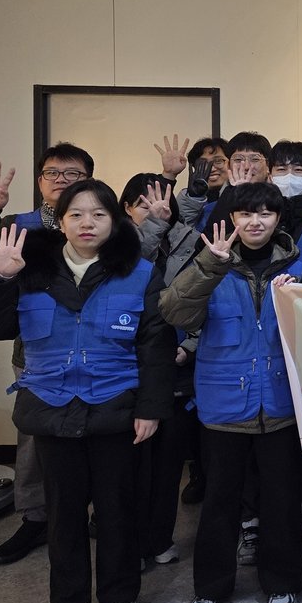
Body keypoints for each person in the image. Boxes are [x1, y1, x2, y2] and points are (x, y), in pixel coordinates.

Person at [0, 179, 175, 603]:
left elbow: (155, 346)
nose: (87, 223)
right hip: (52, 407)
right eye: (76, 214)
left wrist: (150, 408)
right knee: (62, 514)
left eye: (99, 214)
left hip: (116, 407)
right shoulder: (29, 268)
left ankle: (121, 597)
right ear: (60, 222)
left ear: (114, 222)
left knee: (118, 510)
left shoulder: (140, 272)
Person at [160, 182, 302, 603]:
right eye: (245, 213)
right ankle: (210, 589)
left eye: (265, 213)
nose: (255, 222)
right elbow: (174, 312)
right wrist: (210, 264)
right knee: (219, 503)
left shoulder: (298, 264)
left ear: (278, 219)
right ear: (231, 219)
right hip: (224, 406)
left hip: (282, 404)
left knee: (282, 501)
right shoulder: (210, 262)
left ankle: (282, 584)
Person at [0, 142, 95, 566]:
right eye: (53, 173)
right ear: (40, 181)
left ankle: (97, 513)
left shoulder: (101, 222)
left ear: (88, 180)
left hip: (97, 352)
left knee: (100, 432)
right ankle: (36, 519)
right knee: (35, 439)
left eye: (73, 174)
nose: (62, 181)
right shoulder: (18, 225)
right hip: (36, 353)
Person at [119, 174, 198, 567]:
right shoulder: (117, 248)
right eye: (144, 204)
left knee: (168, 465)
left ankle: (159, 537)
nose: (156, 210)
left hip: (178, 371)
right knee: (129, 468)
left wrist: (188, 346)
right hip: (131, 371)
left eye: (162, 202)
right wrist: (154, 227)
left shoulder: (193, 241)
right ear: (126, 208)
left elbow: (207, 299)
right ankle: (129, 545)